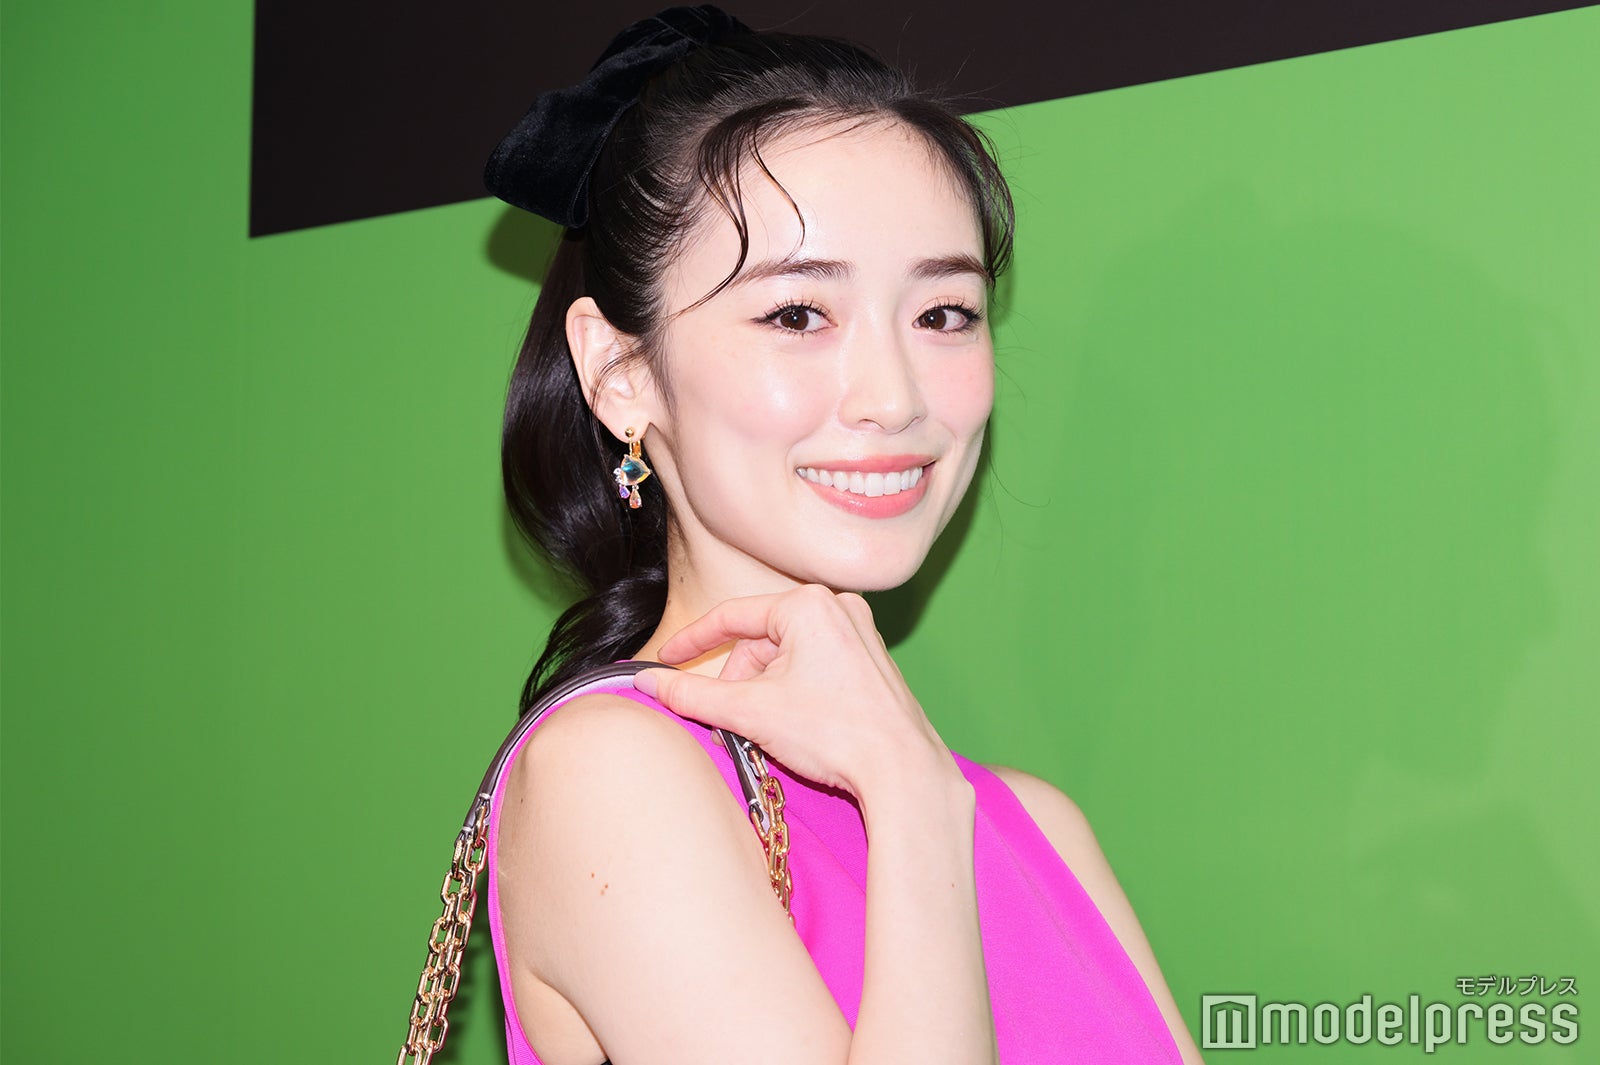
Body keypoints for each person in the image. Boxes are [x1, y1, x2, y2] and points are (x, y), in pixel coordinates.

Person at [472, 7, 1203, 1063]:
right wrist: (907, 798)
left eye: (943, 313)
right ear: (621, 372)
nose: (894, 397)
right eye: (797, 315)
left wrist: (920, 789)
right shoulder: (610, 773)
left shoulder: (1037, 825)